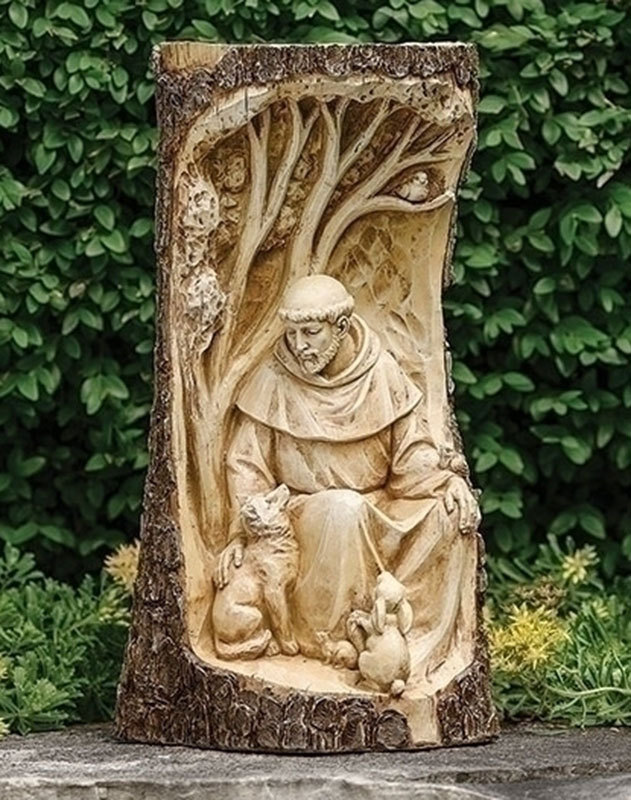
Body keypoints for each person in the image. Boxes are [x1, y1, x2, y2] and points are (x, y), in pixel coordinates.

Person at [215, 275, 479, 682]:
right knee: (342, 508)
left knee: (449, 517)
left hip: (377, 509)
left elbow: (411, 457)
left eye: (311, 332)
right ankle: (330, 640)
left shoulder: (382, 373)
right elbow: (246, 466)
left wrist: (447, 481)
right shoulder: (273, 378)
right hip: (300, 516)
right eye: (292, 333)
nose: (299, 345)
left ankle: (396, 639)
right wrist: (242, 534)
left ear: (340, 326)